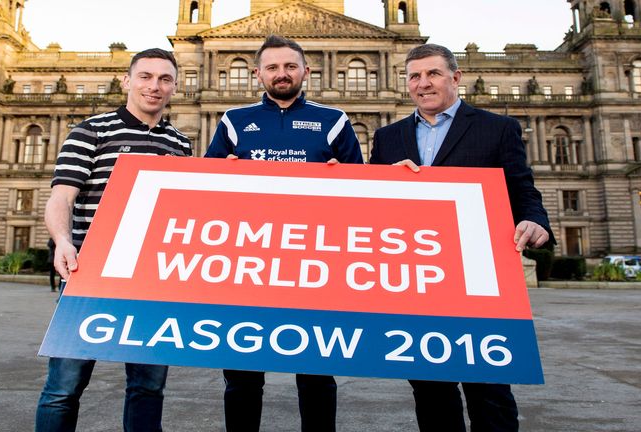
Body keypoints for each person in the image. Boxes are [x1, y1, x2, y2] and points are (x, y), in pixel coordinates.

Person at [370, 43, 553, 432]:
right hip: (417, 281)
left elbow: (522, 190)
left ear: (456, 78)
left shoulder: (497, 128)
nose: (423, 84)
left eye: (433, 74)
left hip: (477, 276)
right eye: (415, 76)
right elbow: (370, 207)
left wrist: (536, 222)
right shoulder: (388, 138)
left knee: (489, 392)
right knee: (431, 391)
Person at [205, 35, 363, 432]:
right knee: (242, 377)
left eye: (290, 66)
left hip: (313, 266)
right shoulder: (233, 120)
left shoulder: (335, 120)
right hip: (248, 265)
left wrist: (343, 181)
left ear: (306, 71)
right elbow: (204, 188)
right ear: (258, 73)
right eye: (272, 67)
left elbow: (364, 194)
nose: (281, 74)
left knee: (315, 376)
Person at [35, 48, 192, 432]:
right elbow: (61, 198)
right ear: (127, 80)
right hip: (90, 273)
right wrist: (63, 241)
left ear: (175, 87)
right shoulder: (91, 131)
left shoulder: (181, 144)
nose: (154, 86)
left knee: (148, 387)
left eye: (164, 79)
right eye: (145, 76)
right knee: (64, 387)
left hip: (153, 281)